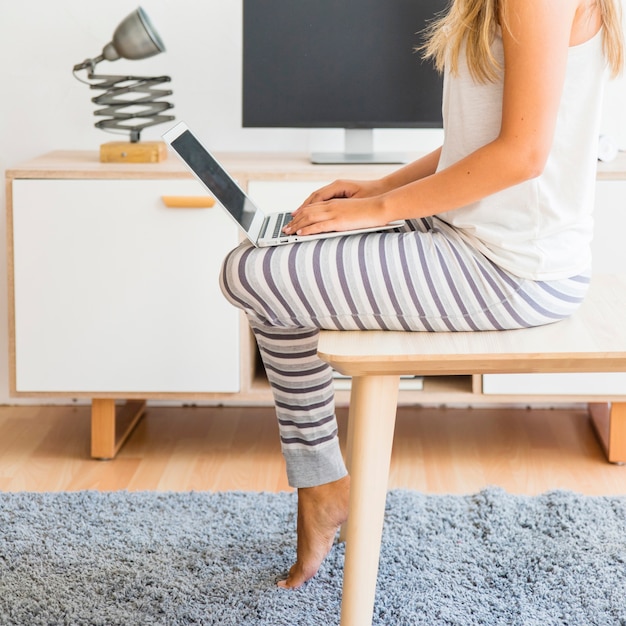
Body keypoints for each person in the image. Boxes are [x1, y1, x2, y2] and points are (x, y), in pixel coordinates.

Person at [220, 0, 624, 589]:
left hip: (513, 268)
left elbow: (523, 154)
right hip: (468, 231)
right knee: (271, 256)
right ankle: (322, 480)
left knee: (255, 273)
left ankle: (321, 483)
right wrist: (380, 186)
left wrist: (374, 211)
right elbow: (481, 141)